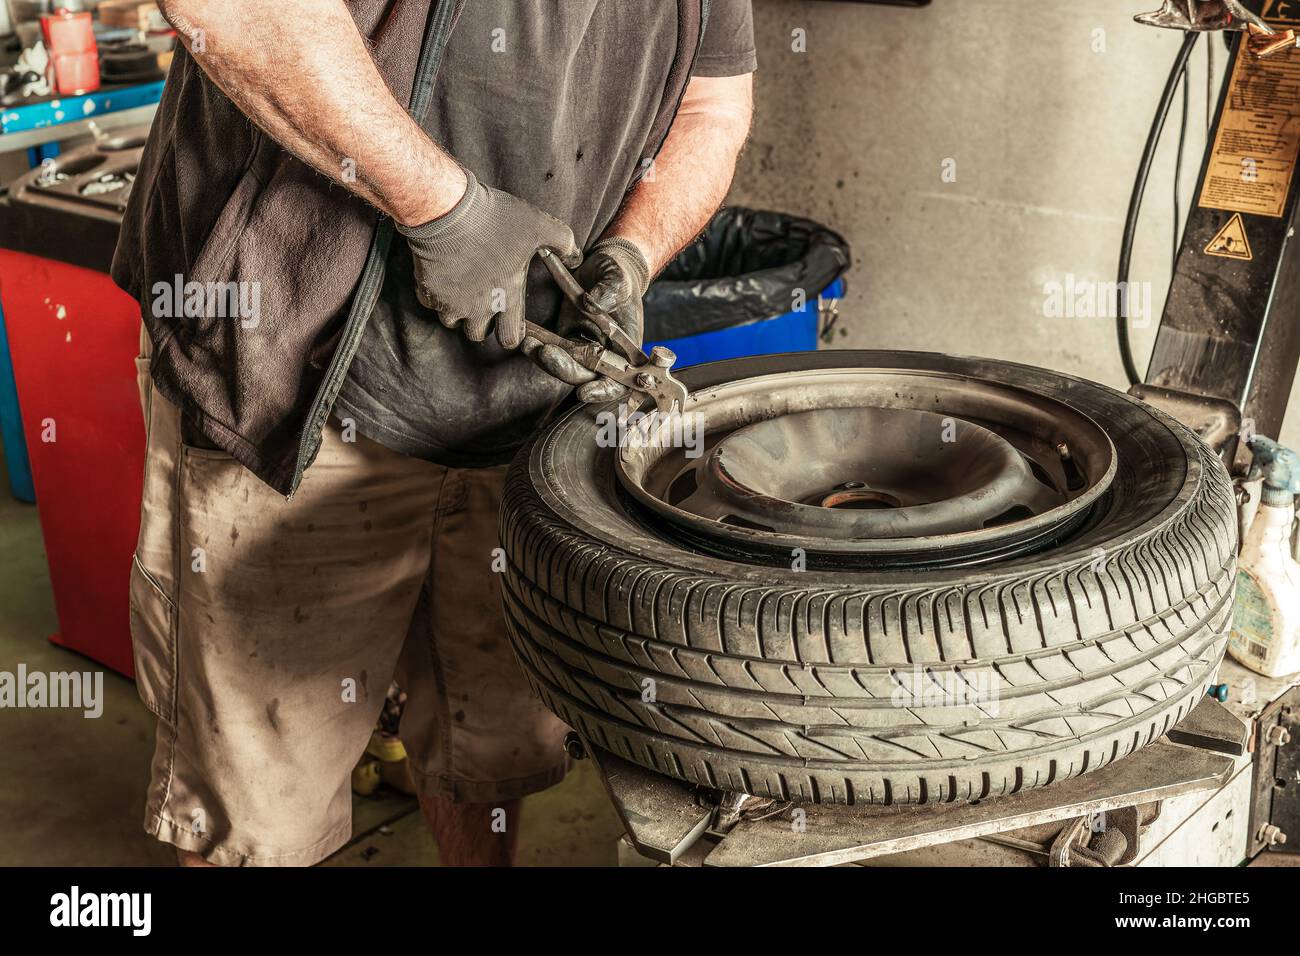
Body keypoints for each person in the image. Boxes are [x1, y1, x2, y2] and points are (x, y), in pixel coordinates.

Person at [112, 0, 755, 866]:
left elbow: (713, 106)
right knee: (258, 810)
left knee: (486, 748)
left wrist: (634, 250)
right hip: (298, 381)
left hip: (523, 413)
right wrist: (445, 211)